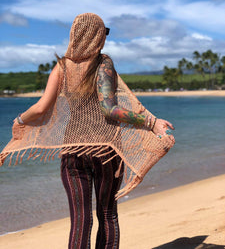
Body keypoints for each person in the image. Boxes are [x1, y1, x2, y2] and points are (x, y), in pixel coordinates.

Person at [0, 13, 175, 249]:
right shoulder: (103, 62)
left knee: (80, 222)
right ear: (96, 36)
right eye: (105, 32)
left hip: (73, 151)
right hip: (106, 152)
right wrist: (150, 123)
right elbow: (110, 110)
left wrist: (19, 120)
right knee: (107, 215)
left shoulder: (62, 66)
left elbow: (41, 108)